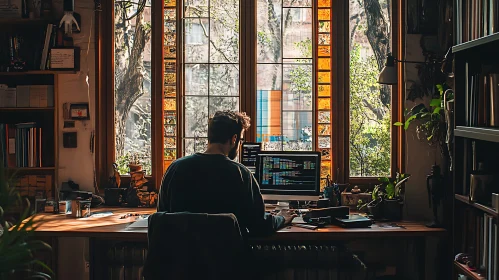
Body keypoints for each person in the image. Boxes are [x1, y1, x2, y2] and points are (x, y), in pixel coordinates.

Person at [157, 110, 295, 236]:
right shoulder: (242, 174)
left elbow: (162, 219)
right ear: (234, 139)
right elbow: (259, 226)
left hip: (180, 260)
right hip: (227, 262)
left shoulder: (175, 169)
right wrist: (281, 218)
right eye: (240, 140)